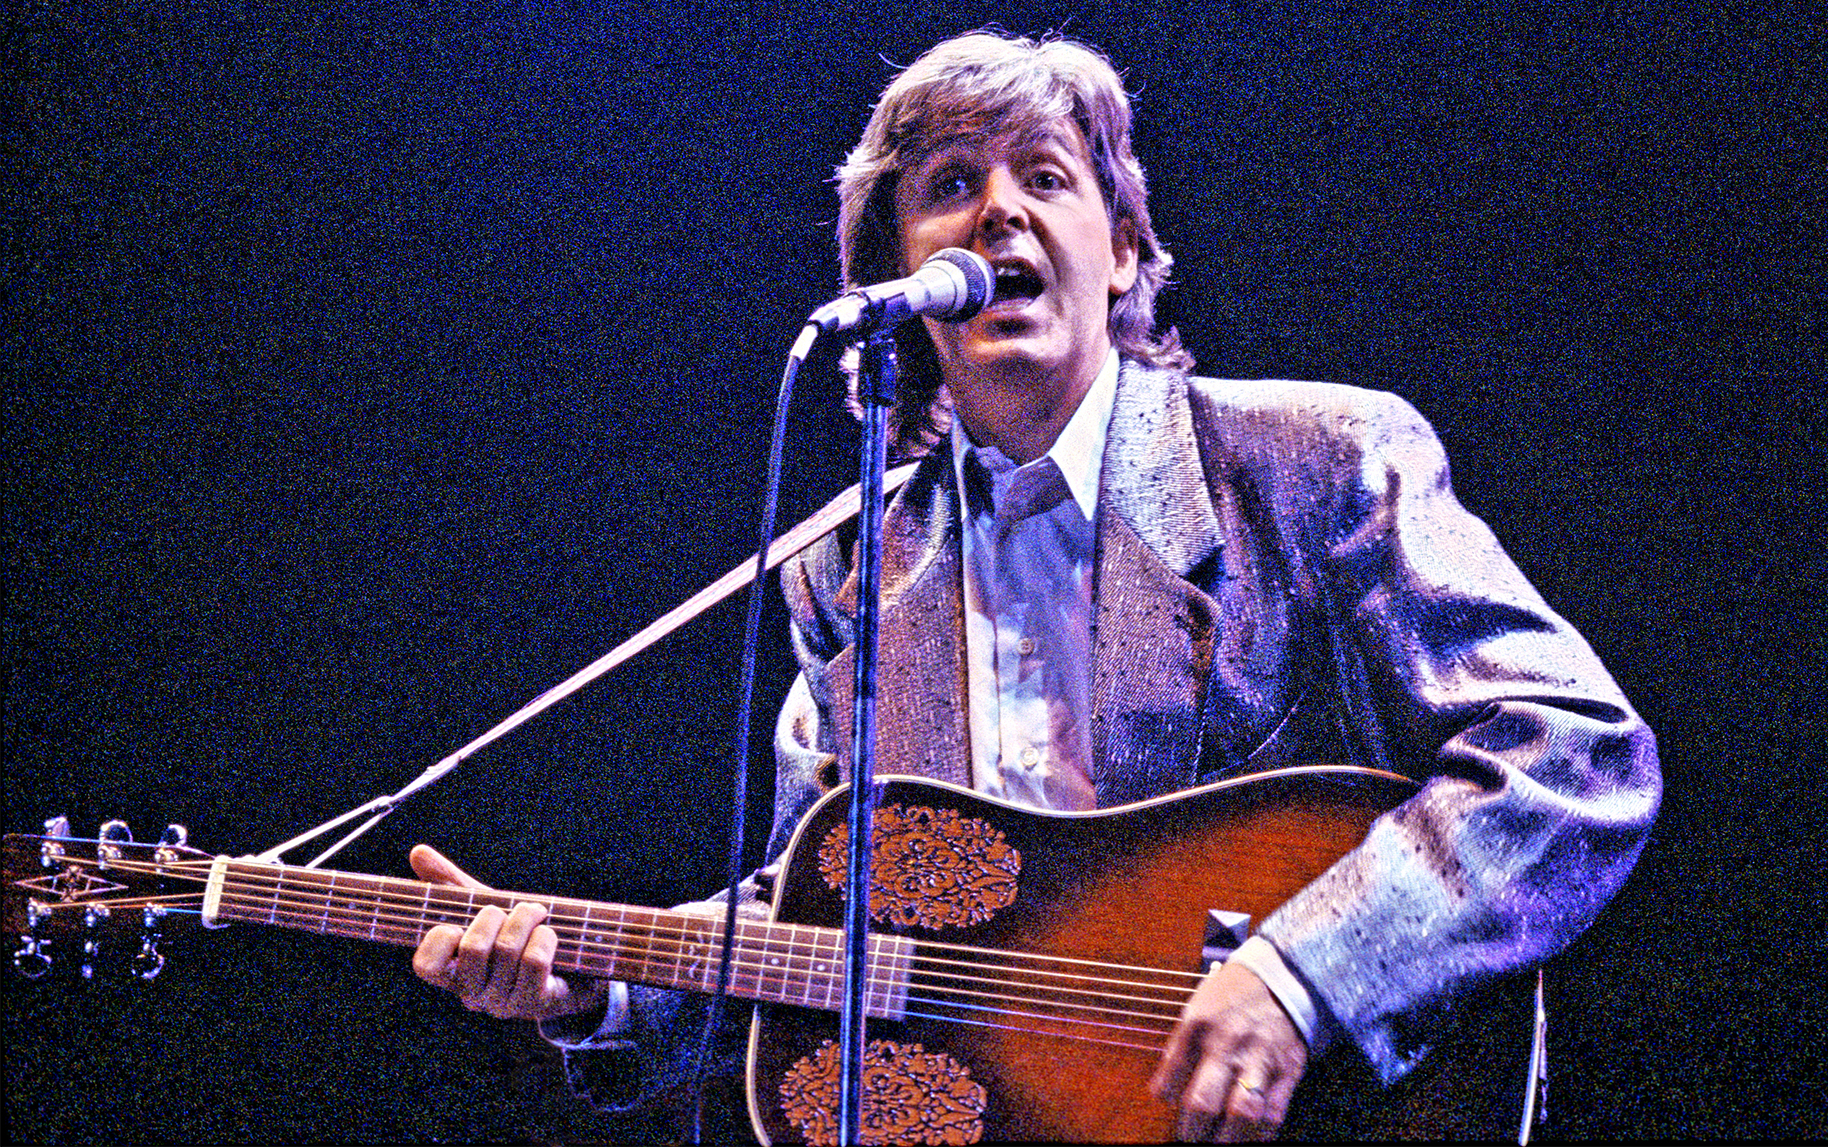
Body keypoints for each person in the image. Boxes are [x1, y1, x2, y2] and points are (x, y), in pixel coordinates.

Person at [410, 29, 1661, 1143]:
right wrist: (599, 985)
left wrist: (1301, 976)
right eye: (949, 185)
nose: (996, 211)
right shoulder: (847, 576)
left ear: (1122, 251)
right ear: (892, 278)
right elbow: (816, 922)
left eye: (1044, 178)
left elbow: (1577, 753)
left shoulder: (1314, 464)